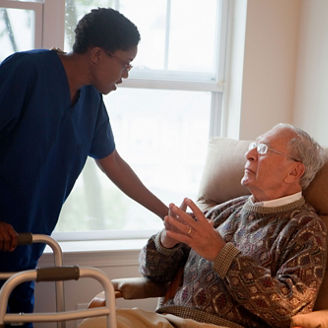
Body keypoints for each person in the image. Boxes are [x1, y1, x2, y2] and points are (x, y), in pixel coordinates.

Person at [0, 7, 168, 326]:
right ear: (96, 54)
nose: (127, 73)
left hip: (26, 244)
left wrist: (166, 213)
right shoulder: (27, 71)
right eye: (124, 62)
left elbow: (113, 163)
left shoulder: (91, 102)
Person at [81, 123, 327, 328]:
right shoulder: (223, 210)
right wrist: (167, 243)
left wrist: (221, 253)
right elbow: (154, 273)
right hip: (169, 320)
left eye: (263, 149)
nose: (249, 154)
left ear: (294, 171)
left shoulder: (306, 229)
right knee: (95, 324)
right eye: (253, 146)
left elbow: (287, 309)